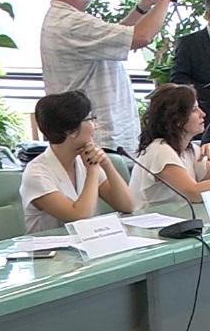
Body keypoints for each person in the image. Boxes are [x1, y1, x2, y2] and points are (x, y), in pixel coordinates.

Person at [39, 0, 174, 151]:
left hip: (96, 136)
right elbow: (142, 37)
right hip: (100, 139)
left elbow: (115, 38)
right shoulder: (72, 23)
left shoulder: (61, 19)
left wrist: (142, 8)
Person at [20, 91, 135, 233]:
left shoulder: (83, 160)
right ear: (71, 130)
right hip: (54, 246)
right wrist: (93, 170)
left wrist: (106, 164)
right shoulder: (36, 174)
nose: (96, 126)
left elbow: (127, 206)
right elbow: (79, 216)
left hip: (90, 242)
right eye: (91, 119)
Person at [130, 84, 210, 209]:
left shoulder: (190, 149)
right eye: (194, 110)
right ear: (176, 119)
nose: (202, 114)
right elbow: (193, 193)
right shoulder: (159, 149)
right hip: (148, 222)